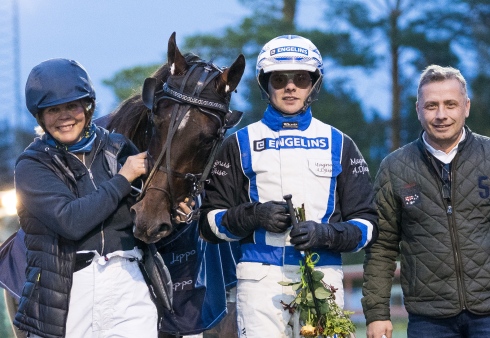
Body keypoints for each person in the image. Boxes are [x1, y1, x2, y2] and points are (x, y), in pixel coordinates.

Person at [199, 34, 378, 337]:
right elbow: (208, 223)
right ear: (265, 84)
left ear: (314, 84)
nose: (290, 86)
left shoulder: (340, 143)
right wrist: (253, 215)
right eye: (279, 79)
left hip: (324, 277)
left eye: (301, 78)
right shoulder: (238, 143)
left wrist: (326, 234)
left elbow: (368, 225)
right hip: (259, 280)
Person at [12, 58, 158, 338]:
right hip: (69, 292)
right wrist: (122, 179)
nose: (65, 116)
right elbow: (71, 221)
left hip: (128, 281)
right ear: (40, 116)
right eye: (53, 109)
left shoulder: (118, 146)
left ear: (88, 106)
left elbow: (147, 211)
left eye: (72, 105)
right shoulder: (31, 164)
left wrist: (180, 211)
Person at [362, 65, 490, 338]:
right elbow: (381, 247)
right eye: (432, 106)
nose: (441, 115)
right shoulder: (394, 168)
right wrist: (377, 313)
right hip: (428, 320)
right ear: (418, 108)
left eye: (450, 104)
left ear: (466, 107)